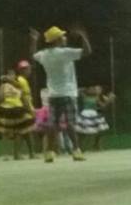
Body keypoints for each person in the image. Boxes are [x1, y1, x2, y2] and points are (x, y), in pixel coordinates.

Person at [31, 26, 90, 163]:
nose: (65, 38)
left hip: (53, 95)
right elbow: (87, 52)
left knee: (53, 124)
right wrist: (83, 37)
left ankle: (49, 152)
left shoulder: (44, 54)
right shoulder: (65, 53)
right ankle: (76, 150)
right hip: (68, 93)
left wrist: (34, 40)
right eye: (62, 36)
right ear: (57, 40)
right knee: (70, 123)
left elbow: (33, 55)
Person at [0, 74, 36, 160]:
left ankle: (11, 154)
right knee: (19, 131)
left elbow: (0, 98)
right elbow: (1, 97)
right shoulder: (13, 86)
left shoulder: (11, 86)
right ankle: (16, 154)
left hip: (11, 109)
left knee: (13, 131)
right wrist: (30, 110)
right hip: (13, 109)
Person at [76, 85, 115, 151]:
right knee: (83, 132)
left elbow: (103, 106)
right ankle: (79, 147)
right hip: (85, 115)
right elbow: (79, 91)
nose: (94, 90)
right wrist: (83, 90)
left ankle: (96, 145)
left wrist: (109, 100)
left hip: (93, 114)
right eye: (94, 89)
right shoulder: (84, 96)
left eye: (97, 89)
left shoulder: (96, 98)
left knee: (99, 130)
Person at [14, 60, 37, 158]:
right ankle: (17, 154)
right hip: (23, 108)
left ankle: (31, 153)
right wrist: (29, 109)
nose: (28, 71)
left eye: (28, 69)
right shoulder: (21, 81)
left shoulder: (21, 80)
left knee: (27, 131)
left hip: (22, 107)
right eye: (26, 69)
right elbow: (23, 97)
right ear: (21, 71)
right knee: (21, 131)